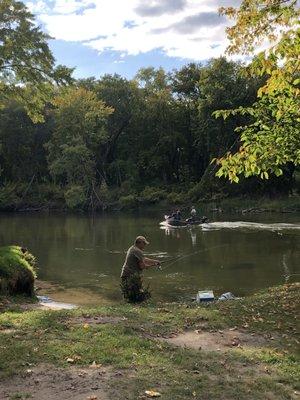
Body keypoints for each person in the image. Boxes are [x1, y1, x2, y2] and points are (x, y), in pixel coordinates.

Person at [120, 236, 160, 303]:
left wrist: (155, 261)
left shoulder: (132, 248)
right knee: (136, 294)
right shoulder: (138, 251)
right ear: (139, 243)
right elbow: (142, 266)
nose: (145, 245)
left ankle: (127, 304)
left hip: (125, 274)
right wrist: (153, 265)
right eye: (144, 244)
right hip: (131, 276)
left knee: (127, 294)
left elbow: (143, 259)